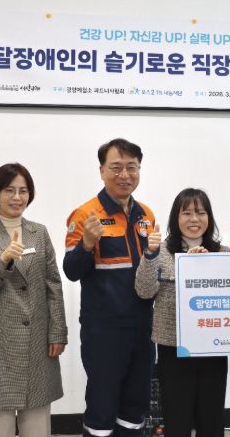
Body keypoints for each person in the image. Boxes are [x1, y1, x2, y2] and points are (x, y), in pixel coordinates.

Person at [63, 138, 156, 437]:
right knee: (102, 407)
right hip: (104, 331)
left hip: (143, 328)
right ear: (102, 170)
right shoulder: (84, 215)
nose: (124, 175)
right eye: (116, 167)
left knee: (135, 406)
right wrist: (87, 244)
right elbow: (71, 271)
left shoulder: (146, 215)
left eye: (132, 167)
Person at [0, 163, 68, 436]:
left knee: (37, 419)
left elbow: (53, 284)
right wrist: (4, 257)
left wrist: (57, 332)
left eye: (23, 191)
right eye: (9, 190)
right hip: (0, 339)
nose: (17, 197)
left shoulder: (39, 232)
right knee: (0, 420)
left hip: (38, 338)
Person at [135, 188, 228, 437]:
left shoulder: (223, 253)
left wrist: (205, 267)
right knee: (177, 418)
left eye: (201, 212)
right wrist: (150, 255)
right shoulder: (161, 250)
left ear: (209, 217)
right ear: (176, 218)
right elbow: (144, 291)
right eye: (186, 213)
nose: (194, 219)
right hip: (173, 346)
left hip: (213, 346)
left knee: (212, 418)